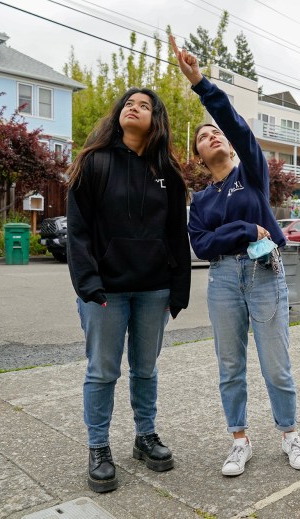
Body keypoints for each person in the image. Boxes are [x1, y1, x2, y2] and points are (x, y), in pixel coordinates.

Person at [170, 35, 300, 477]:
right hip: (223, 281)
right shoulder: (201, 199)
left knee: (276, 363)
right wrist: (244, 229)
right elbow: (202, 245)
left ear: (229, 145)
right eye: (202, 137)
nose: (211, 135)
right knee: (230, 365)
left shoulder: (251, 173)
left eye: (216, 132)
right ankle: (239, 440)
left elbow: (236, 124)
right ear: (198, 155)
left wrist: (200, 83)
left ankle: (289, 434)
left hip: (264, 274)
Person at [66, 87, 191, 493]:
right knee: (102, 372)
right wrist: (88, 284)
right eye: (129, 103)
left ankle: (145, 436)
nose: (135, 108)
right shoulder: (95, 162)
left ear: (156, 120)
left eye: (145, 105)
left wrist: (178, 290)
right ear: (119, 113)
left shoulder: (167, 173)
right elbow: (79, 231)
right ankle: (98, 448)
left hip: (153, 290)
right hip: (106, 292)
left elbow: (176, 235)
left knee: (146, 369)